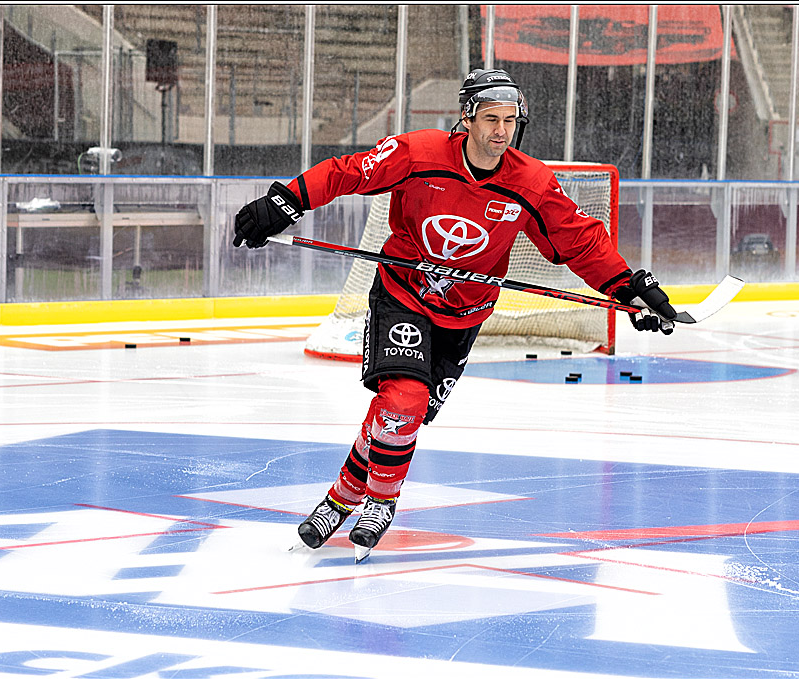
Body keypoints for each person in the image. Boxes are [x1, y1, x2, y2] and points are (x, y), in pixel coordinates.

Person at [232, 68, 678, 562]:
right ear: (467, 118)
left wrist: (628, 287)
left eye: (510, 120)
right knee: (403, 399)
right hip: (403, 293)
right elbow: (347, 171)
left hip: (465, 314)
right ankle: (381, 500)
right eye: (491, 119)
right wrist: (286, 201)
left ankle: (342, 497)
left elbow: (579, 240)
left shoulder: (530, 182)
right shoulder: (418, 153)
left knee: (402, 415)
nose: (501, 131)